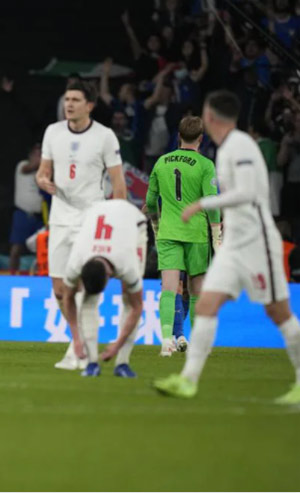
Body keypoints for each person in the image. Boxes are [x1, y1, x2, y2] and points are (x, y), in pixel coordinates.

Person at [155, 91, 300, 405]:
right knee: (206, 304)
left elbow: (247, 192)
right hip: (234, 244)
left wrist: (202, 204)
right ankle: (188, 380)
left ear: (210, 117)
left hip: (258, 243)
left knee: (278, 312)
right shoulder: (222, 151)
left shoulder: (240, 145)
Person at [35, 80, 127, 370]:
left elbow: (118, 184)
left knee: (86, 285)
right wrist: (43, 181)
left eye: (75, 100)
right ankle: (79, 342)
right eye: (67, 99)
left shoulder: (105, 136)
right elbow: (42, 172)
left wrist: (119, 222)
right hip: (60, 218)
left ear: (90, 105)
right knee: (60, 290)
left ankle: (78, 349)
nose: (69, 104)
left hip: (92, 219)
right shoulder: (53, 132)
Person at [145, 116, 221, 356]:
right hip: (196, 233)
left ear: (178, 136)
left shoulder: (161, 162)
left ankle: (167, 341)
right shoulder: (205, 165)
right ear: (201, 138)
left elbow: (150, 201)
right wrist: (216, 234)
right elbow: (211, 202)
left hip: (168, 231)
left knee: (169, 288)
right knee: (196, 290)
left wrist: (156, 224)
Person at [60, 199, 147, 377]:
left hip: (133, 222)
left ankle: (122, 363)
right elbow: (67, 297)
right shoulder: (76, 261)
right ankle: (92, 363)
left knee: (129, 299)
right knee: (88, 300)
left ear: (109, 275)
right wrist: (76, 338)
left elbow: (137, 306)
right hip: (96, 213)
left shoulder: (127, 264)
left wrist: (117, 345)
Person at [9, 143, 43, 272]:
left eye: (41, 154)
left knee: (42, 248)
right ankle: (12, 274)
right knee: (16, 249)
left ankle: (40, 274)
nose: (38, 156)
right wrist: (44, 160)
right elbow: (29, 167)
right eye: (36, 153)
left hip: (40, 217)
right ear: (30, 155)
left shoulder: (45, 171)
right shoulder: (22, 165)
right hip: (23, 214)